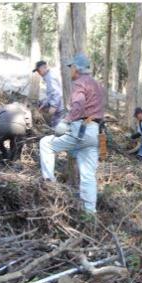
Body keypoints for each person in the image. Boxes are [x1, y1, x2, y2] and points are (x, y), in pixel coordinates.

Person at [39, 53, 104, 215]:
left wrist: (66, 121)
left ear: (77, 68)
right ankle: (90, 213)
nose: (70, 70)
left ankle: (49, 185)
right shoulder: (96, 85)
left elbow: (79, 105)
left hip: (81, 130)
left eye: (71, 67)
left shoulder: (80, 83)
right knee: (88, 175)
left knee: (46, 144)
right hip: (95, 132)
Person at [33, 60, 64, 128]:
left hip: (59, 107)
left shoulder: (50, 77)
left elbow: (56, 93)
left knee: (57, 125)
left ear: (44, 67)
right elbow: (50, 94)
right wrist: (43, 105)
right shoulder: (48, 76)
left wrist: (53, 106)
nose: (38, 73)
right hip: (59, 105)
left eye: (39, 70)